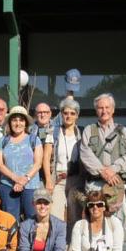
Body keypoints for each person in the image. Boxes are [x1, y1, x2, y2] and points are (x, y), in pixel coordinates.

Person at [79, 93, 126, 228]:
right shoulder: (89, 130)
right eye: (100, 108)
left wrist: (113, 169)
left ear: (113, 109)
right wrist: (103, 171)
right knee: (95, 223)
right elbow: (85, 153)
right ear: (96, 110)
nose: (104, 111)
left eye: (107, 107)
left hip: (116, 185)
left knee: (118, 225)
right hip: (95, 185)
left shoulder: (123, 131)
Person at [0, 105, 43, 223]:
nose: (18, 123)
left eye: (21, 120)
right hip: (8, 185)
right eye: (14, 120)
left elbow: (38, 164)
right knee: (10, 220)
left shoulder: (34, 140)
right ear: (9, 122)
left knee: (32, 219)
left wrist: (24, 179)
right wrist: (15, 178)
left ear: (26, 123)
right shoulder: (3, 141)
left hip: (30, 186)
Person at [42, 98, 83, 234]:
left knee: (75, 216)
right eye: (65, 113)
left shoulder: (82, 133)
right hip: (58, 179)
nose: (68, 116)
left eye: (72, 113)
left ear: (77, 115)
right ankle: (57, 246)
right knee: (55, 216)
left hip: (76, 179)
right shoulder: (54, 133)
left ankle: (72, 246)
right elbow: (46, 158)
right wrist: (48, 180)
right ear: (61, 114)